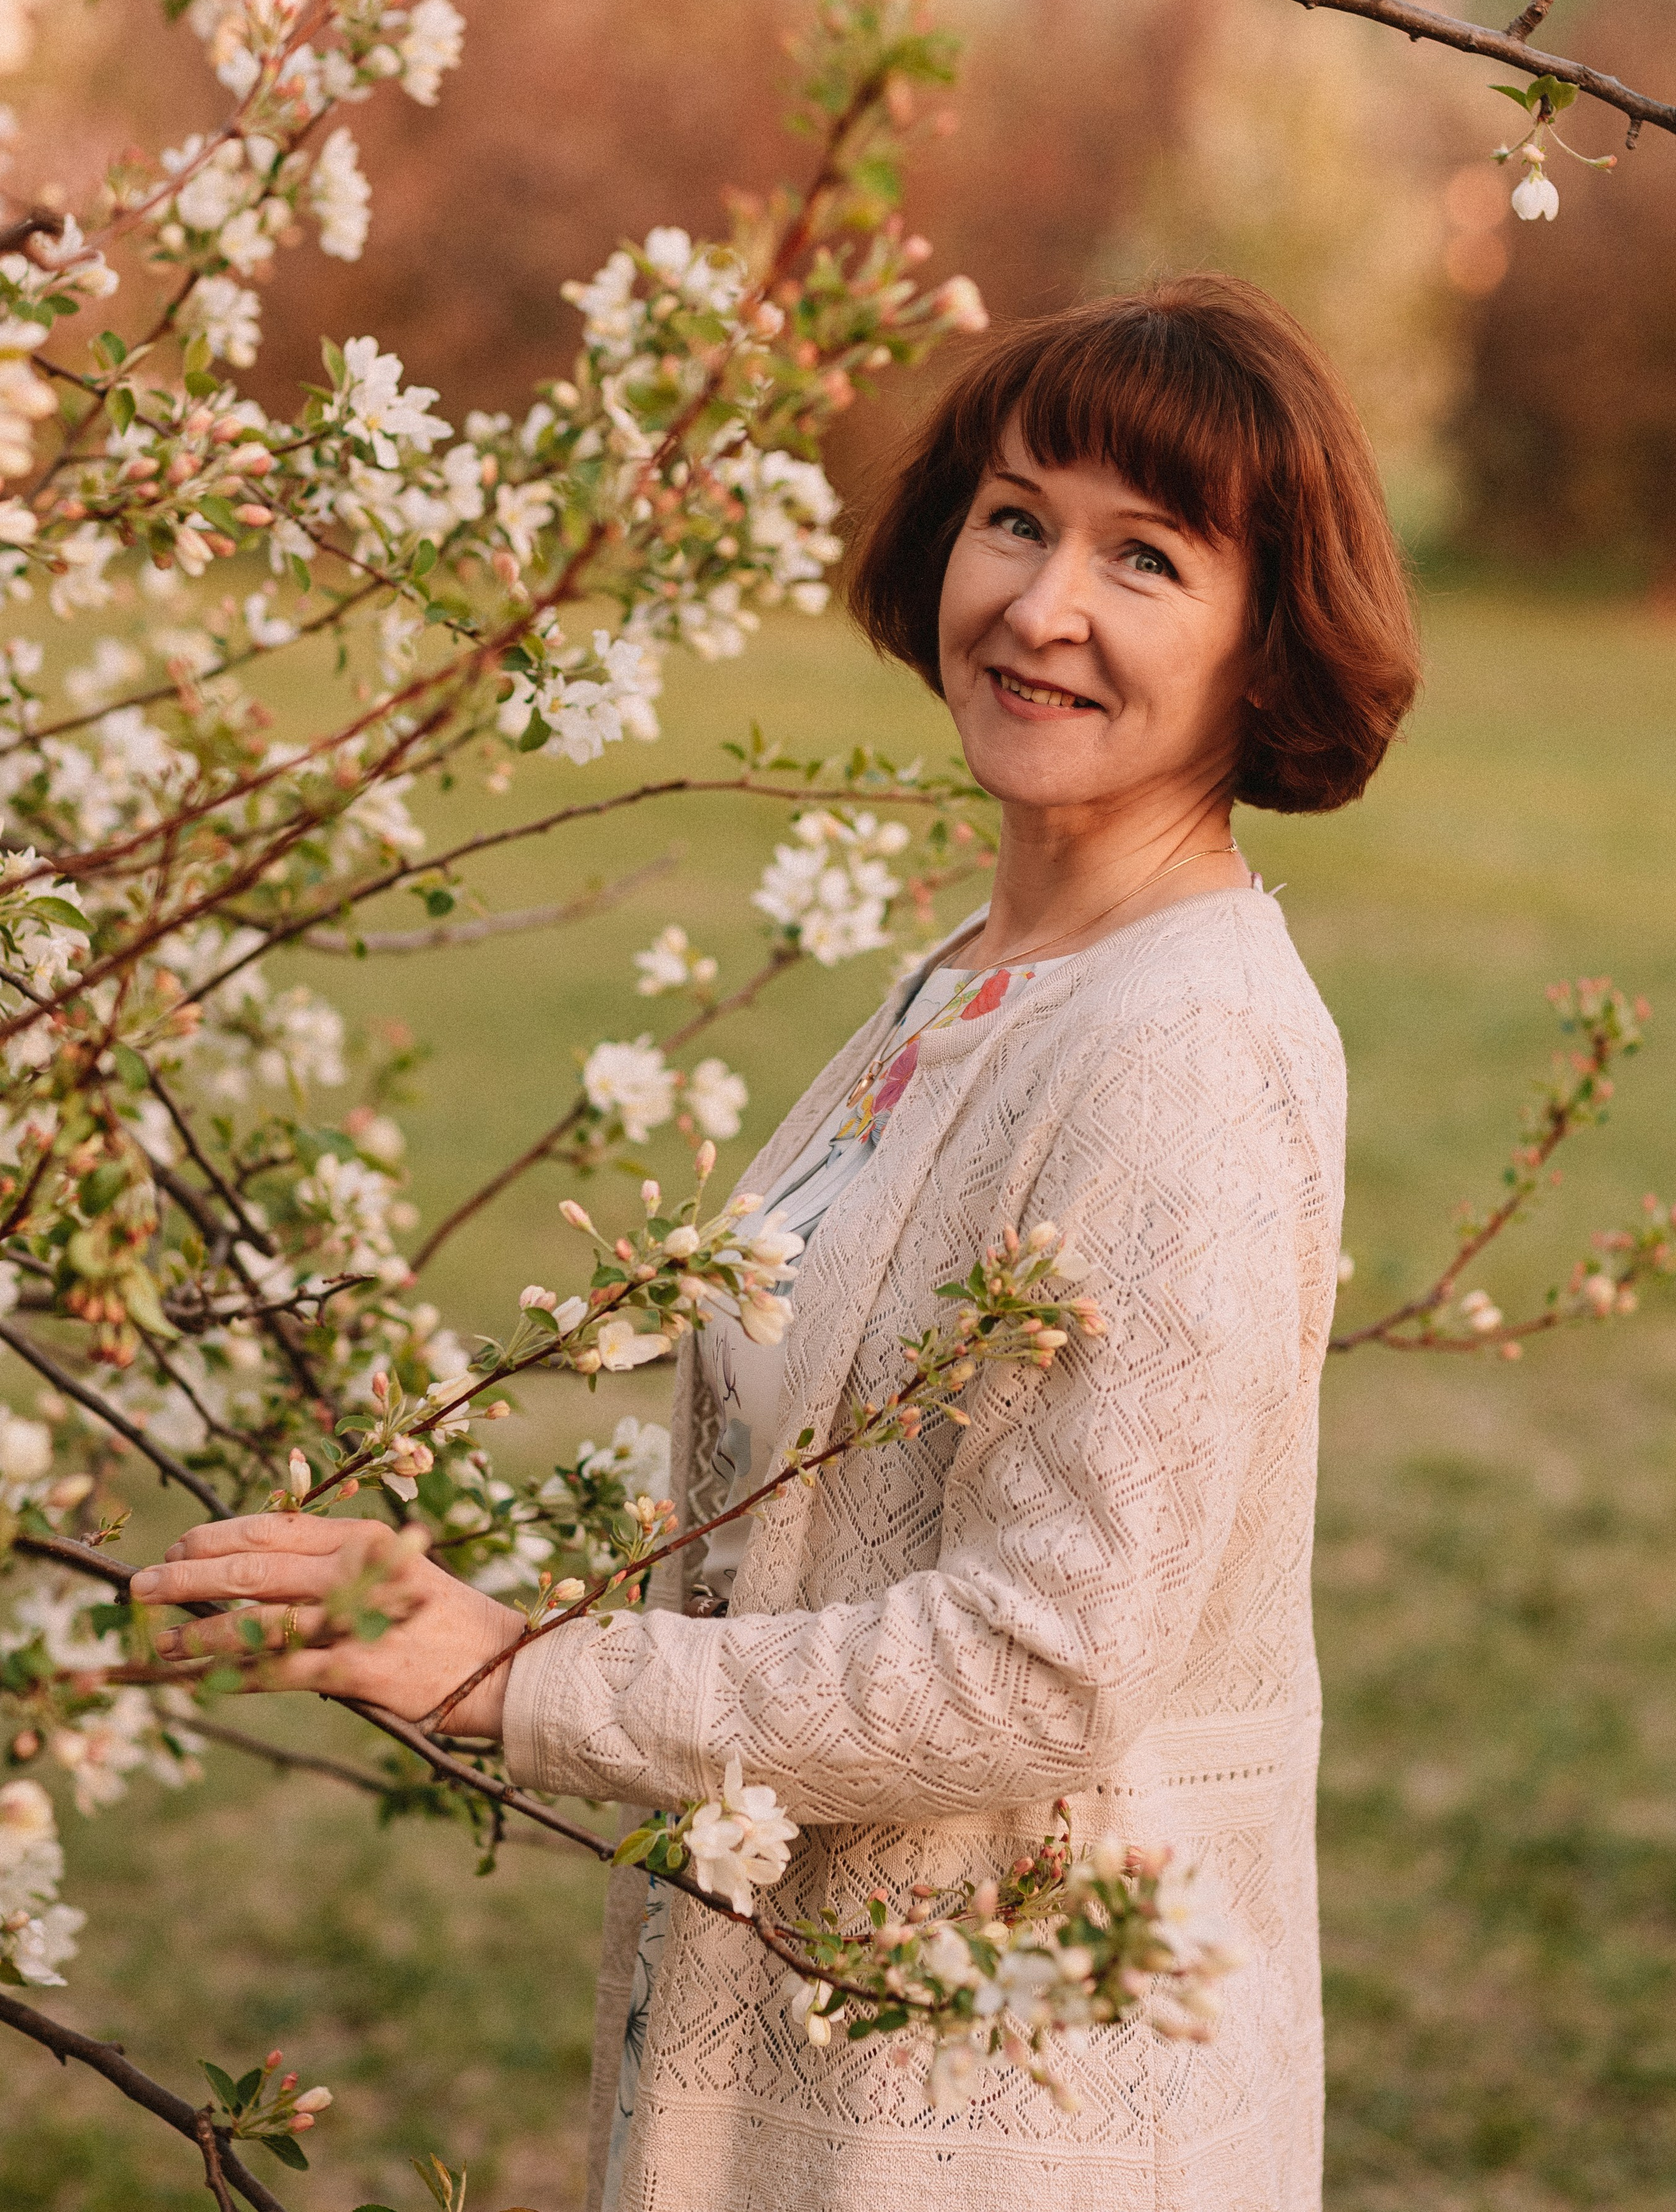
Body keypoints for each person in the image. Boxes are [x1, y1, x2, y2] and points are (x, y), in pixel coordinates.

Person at [132, 276, 1421, 2212]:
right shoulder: (983, 978)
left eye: (1145, 557)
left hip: (1005, 2133)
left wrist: (522, 1674)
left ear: (1265, 645)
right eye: (1015, 517)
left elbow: (1049, 1663)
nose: (1041, 606)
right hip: (810, 2060)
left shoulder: (1187, 1048)